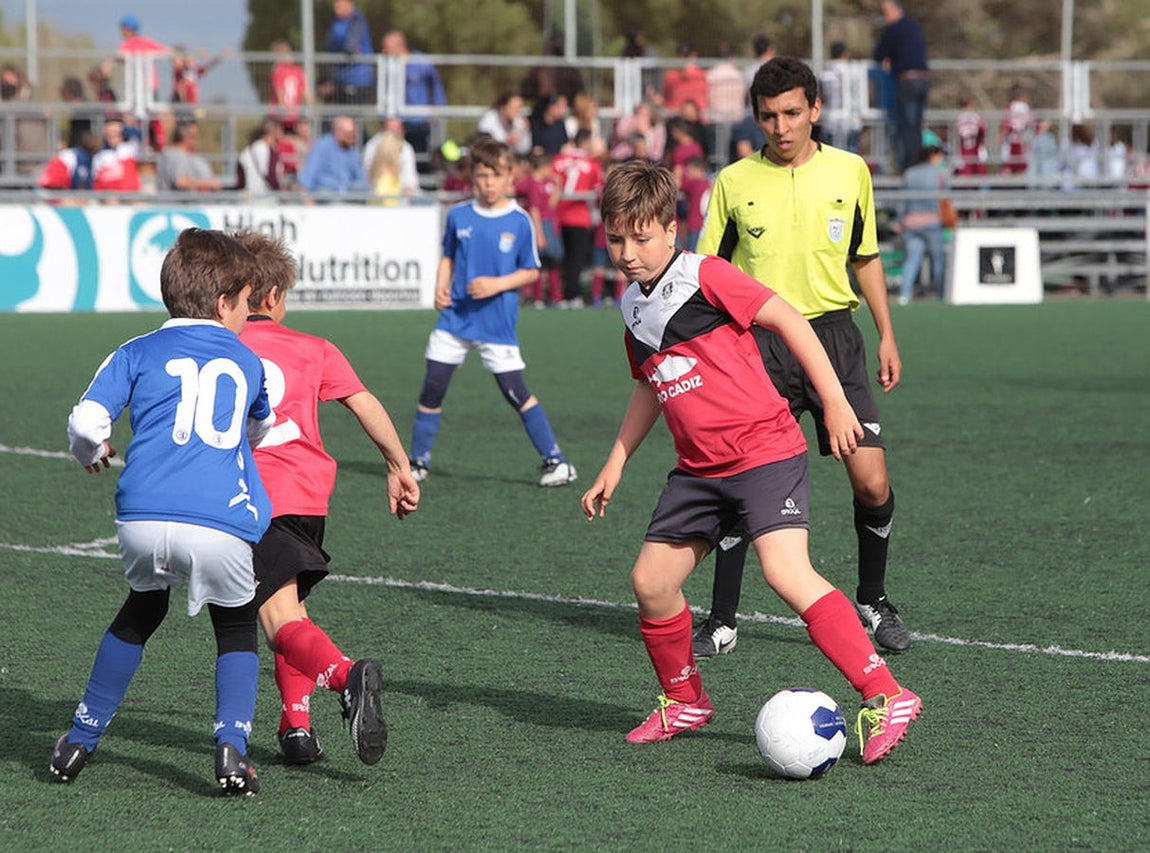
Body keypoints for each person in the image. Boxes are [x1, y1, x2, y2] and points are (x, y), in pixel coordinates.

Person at [582, 159, 921, 762]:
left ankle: (885, 693)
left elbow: (787, 317)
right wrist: (616, 462)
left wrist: (837, 401)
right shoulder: (633, 309)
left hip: (764, 451)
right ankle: (684, 700)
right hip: (698, 470)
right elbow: (648, 385)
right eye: (615, 237)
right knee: (651, 582)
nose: (628, 251)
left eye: (640, 236)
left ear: (670, 229)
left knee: (785, 571)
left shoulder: (706, 275)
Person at [694, 57, 911, 658]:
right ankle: (721, 619)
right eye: (768, 116)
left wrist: (887, 334)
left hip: (837, 341)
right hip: (758, 346)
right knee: (743, 482)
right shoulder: (734, 182)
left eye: (792, 113)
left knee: (871, 481)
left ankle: (872, 598)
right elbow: (707, 272)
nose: (781, 127)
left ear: (815, 109)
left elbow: (864, 256)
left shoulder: (851, 170)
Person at [51, 228, 273, 795]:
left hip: (142, 515)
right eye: (247, 302)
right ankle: (231, 747)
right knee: (237, 625)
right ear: (224, 303)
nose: (249, 313)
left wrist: (92, 452)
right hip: (220, 521)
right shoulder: (251, 363)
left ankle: (80, 738)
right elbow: (258, 427)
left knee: (141, 610)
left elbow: (85, 424)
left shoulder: (136, 349)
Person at [234, 231, 420, 766]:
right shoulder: (315, 348)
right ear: (271, 296)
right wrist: (397, 466)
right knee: (292, 608)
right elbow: (363, 403)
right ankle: (295, 726)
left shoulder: (221, 346)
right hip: (310, 499)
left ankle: (346, 675)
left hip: (253, 499)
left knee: (276, 621)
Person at [408, 135, 577, 487]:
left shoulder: (519, 221)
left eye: (496, 176)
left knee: (515, 392)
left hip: (496, 324)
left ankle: (557, 461)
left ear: (509, 178)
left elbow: (531, 270)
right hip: (454, 320)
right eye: (482, 176)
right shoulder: (458, 215)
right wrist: (440, 288)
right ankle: (418, 462)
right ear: (472, 178)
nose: (488, 184)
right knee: (431, 390)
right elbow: (448, 257)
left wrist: (495, 284)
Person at [872, 0, 930, 172]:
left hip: (908, 81)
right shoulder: (913, 26)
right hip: (923, 80)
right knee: (916, 125)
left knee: (908, 126)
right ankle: (918, 163)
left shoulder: (894, 29)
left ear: (895, 11)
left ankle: (911, 167)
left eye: (886, 12)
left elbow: (878, 54)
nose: (885, 16)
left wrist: (889, 60)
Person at [553, 128, 604, 306]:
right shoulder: (592, 164)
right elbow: (598, 189)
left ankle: (559, 294)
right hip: (579, 216)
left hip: (559, 214)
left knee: (563, 257)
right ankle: (571, 295)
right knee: (576, 257)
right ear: (586, 142)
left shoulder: (558, 160)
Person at [380, 29, 447, 163]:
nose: (384, 52)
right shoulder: (389, 65)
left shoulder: (421, 62)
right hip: (398, 123)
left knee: (420, 159)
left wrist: (437, 110)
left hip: (419, 123)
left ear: (399, 46)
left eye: (387, 48)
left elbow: (435, 87)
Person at [896, 145, 947, 304]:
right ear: (933, 156)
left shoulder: (910, 173)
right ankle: (941, 295)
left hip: (912, 221)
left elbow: (902, 200)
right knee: (938, 261)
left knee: (911, 260)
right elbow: (945, 198)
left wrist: (900, 221)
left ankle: (904, 294)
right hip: (932, 221)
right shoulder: (940, 174)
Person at [319, 0, 374, 105]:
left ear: (350, 3)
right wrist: (327, 80)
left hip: (357, 80)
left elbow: (350, 47)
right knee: (330, 119)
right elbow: (329, 47)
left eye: (339, 2)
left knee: (351, 119)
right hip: (339, 80)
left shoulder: (357, 20)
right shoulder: (335, 21)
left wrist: (337, 51)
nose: (336, 5)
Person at [297, 115, 367, 195]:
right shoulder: (322, 147)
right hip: (327, 194)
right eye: (349, 134)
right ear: (338, 131)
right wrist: (308, 201)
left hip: (347, 193)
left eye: (353, 133)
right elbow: (307, 177)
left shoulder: (351, 150)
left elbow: (361, 177)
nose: (353, 137)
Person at [819, 42, 863, 154]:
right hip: (851, 119)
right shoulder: (854, 71)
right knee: (851, 154)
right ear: (845, 54)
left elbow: (822, 96)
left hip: (830, 119)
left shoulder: (825, 73)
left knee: (830, 154)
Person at [156, 120, 224, 191]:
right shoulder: (178, 156)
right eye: (194, 137)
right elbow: (180, 181)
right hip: (173, 201)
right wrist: (209, 183)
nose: (196, 142)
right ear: (186, 138)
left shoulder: (167, 153)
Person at [363, 116, 420, 200]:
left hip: (403, 194)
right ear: (385, 129)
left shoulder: (406, 148)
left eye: (398, 128)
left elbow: (410, 179)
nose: (396, 132)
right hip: (379, 193)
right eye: (392, 129)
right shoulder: (372, 146)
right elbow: (367, 176)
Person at [269, 39, 313, 130]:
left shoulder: (283, 70)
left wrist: (311, 107)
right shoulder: (294, 70)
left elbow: (304, 91)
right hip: (287, 115)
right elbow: (280, 90)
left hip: (287, 115)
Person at [477, 90, 533, 156]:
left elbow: (525, 149)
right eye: (514, 108)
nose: (517, 112)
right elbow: (484, 145)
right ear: (503, 107)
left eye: (519, 108)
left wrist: (525, 132)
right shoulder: (489, 120)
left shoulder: (519, 121)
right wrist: (505, 141)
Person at [237, 117, 283, 196]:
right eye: (280, 130)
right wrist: (280, 191)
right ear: (273, 132)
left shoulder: (247, 151)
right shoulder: (268, 150)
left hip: (248, 198)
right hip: (265, 198)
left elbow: (240, 180)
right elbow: (271, 175)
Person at [998, 83, 1032, 175]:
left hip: (1011, 143)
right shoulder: (1026, 108)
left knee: (1008, 168)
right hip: (1021, 143)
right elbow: (1031, 123)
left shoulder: (1011, 107)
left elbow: (1005, 124)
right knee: (1020, 170)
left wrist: (1001, 135)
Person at [954, 93, 988, 176]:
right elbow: (982, 131)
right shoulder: (975, 116)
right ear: (970, 104)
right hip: (973, 149)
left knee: (965, 174)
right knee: (978, 174)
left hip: (964, 150)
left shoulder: (958, 117)